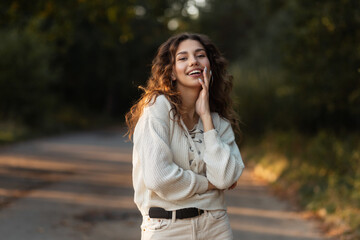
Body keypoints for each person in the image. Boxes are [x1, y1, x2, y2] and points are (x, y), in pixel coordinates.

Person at [125, 32, 245, 240]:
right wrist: (209, 183)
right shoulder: (157, 108)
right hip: (167, 228)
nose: (193, 62)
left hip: (216, 226)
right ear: (171, 73)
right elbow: (159, 178)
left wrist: (206, 118)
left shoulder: (218, 121)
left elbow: (225, 177)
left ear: (209, 65)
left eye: (200, 55)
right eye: (183, 58)